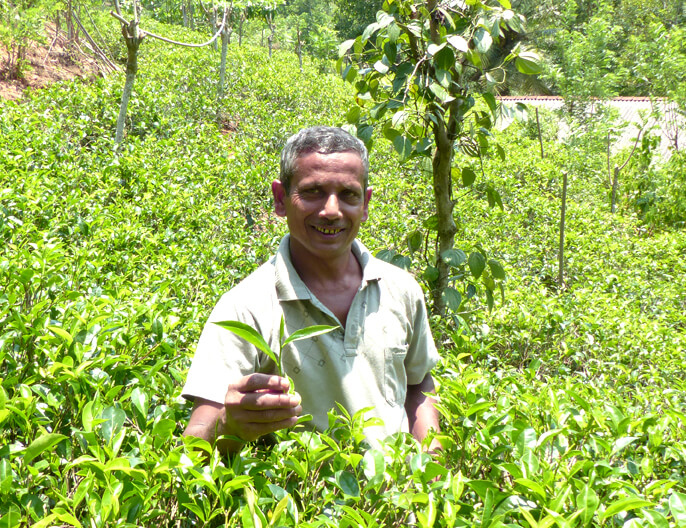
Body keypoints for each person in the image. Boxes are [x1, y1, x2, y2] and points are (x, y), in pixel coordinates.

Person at [182, 126, 441, 453]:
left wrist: (433, 471)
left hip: (399, 499)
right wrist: (229, 425)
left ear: (365, 203)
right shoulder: (245, 307)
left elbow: (418, 385)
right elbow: (195, 439)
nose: (331, 211)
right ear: (280, 199)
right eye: (313, 191)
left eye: (348, 194)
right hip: (304, 499)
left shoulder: (401, 289)